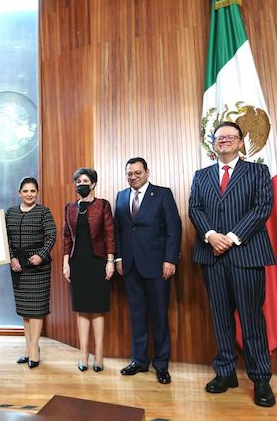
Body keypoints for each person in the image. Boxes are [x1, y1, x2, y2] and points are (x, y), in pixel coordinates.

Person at [188, 121, 276, 407]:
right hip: (211, 256)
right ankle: (225, 373)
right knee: (221, 318)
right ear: (213, 144)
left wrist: (232, 237)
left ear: (240, 143)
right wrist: (211, 235)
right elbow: (194, 208)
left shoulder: (258, 171)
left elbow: (262, 207)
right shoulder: (201, 176)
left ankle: (260, 378)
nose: (224, 140)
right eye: (219, 137)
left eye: (230, 136)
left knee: (251, 319)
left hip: (247, 255)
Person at [114, 157, 181, 385]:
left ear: (147, 172)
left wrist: (170, 260)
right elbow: (119, 231)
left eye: (137, 173)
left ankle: (161, 365)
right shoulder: (121, 196)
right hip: (131, 266)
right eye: (130, 174)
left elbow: (174, 229)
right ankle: (139, 361)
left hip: (157, 266)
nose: (133, 177)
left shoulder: (162, 194)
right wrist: (119, 258)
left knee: (159, 316)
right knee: (137, 316)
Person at [62, 167, 115, 372]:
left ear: (93, 183)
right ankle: (83, 353)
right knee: (81, 308)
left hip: (98, 261)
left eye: (84, 181)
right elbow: (67, 237)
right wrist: (66, 262)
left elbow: (110, 234)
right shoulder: (70, 207)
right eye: (77, 181)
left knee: (97, 308)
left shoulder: (102, 205)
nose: (80, 184)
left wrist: (110, 261)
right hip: (78, 262)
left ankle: (99, 353)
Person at [5, 177, 57, 368]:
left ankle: (35, 348)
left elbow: (52, 234)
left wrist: (41, 255)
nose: (29, 194)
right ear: (19, 193)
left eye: (32, 191)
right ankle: (28, 348)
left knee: (36, 310)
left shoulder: (43, 212)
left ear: (37, 193)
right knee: (25, 311)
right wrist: (11, 258)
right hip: (18, 266)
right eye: (25, 191)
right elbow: (4, 238)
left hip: (38, 267)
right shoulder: (10, 213)